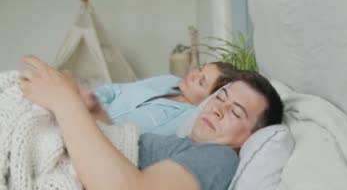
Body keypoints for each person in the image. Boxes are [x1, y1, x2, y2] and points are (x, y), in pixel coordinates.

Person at [18, 55, 284, 190]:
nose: (217, 108)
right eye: (221, 98)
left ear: (250, 137)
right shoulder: (183, 143)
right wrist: (94, 112)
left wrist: (65, 103)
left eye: (235, 112)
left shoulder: (219, 160)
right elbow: (125, 156)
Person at [80, 61, 240, 135]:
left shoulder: (186, 120)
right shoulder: (169, 80)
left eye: (201, 82)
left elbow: (133, 142)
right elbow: (116, 89)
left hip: (94, 137)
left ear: (210, 98)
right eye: (199, 69)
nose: (193, 75)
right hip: (82, 112)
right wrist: (93, 98)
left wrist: (95, 115)